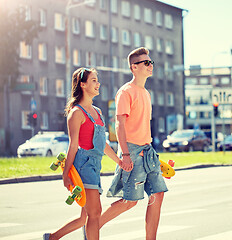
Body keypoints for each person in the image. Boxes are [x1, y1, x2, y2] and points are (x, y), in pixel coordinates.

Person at [43, 67, 128, 240]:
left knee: (85, 217)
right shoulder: (76, 113)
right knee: (95, 213)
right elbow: (73, 146)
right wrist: (66, 174)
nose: (98, 84)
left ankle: (51, 237)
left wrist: (118, 161)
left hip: (95, 166)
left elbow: (102, 144)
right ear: (83, 85)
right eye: (94, 80)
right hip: (83, 166)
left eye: (97, 80)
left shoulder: (98, 112)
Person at [99, 47, 168, 240]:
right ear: (133, 67)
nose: (150, 65)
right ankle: (92, 227)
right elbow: (119, 124)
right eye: (146, 63)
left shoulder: (145, 93)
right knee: (129, 201)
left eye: (150, 62)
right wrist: (126, 154)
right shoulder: (125, 92)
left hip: (148, 151)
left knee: (158, 194)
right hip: (133, 151)